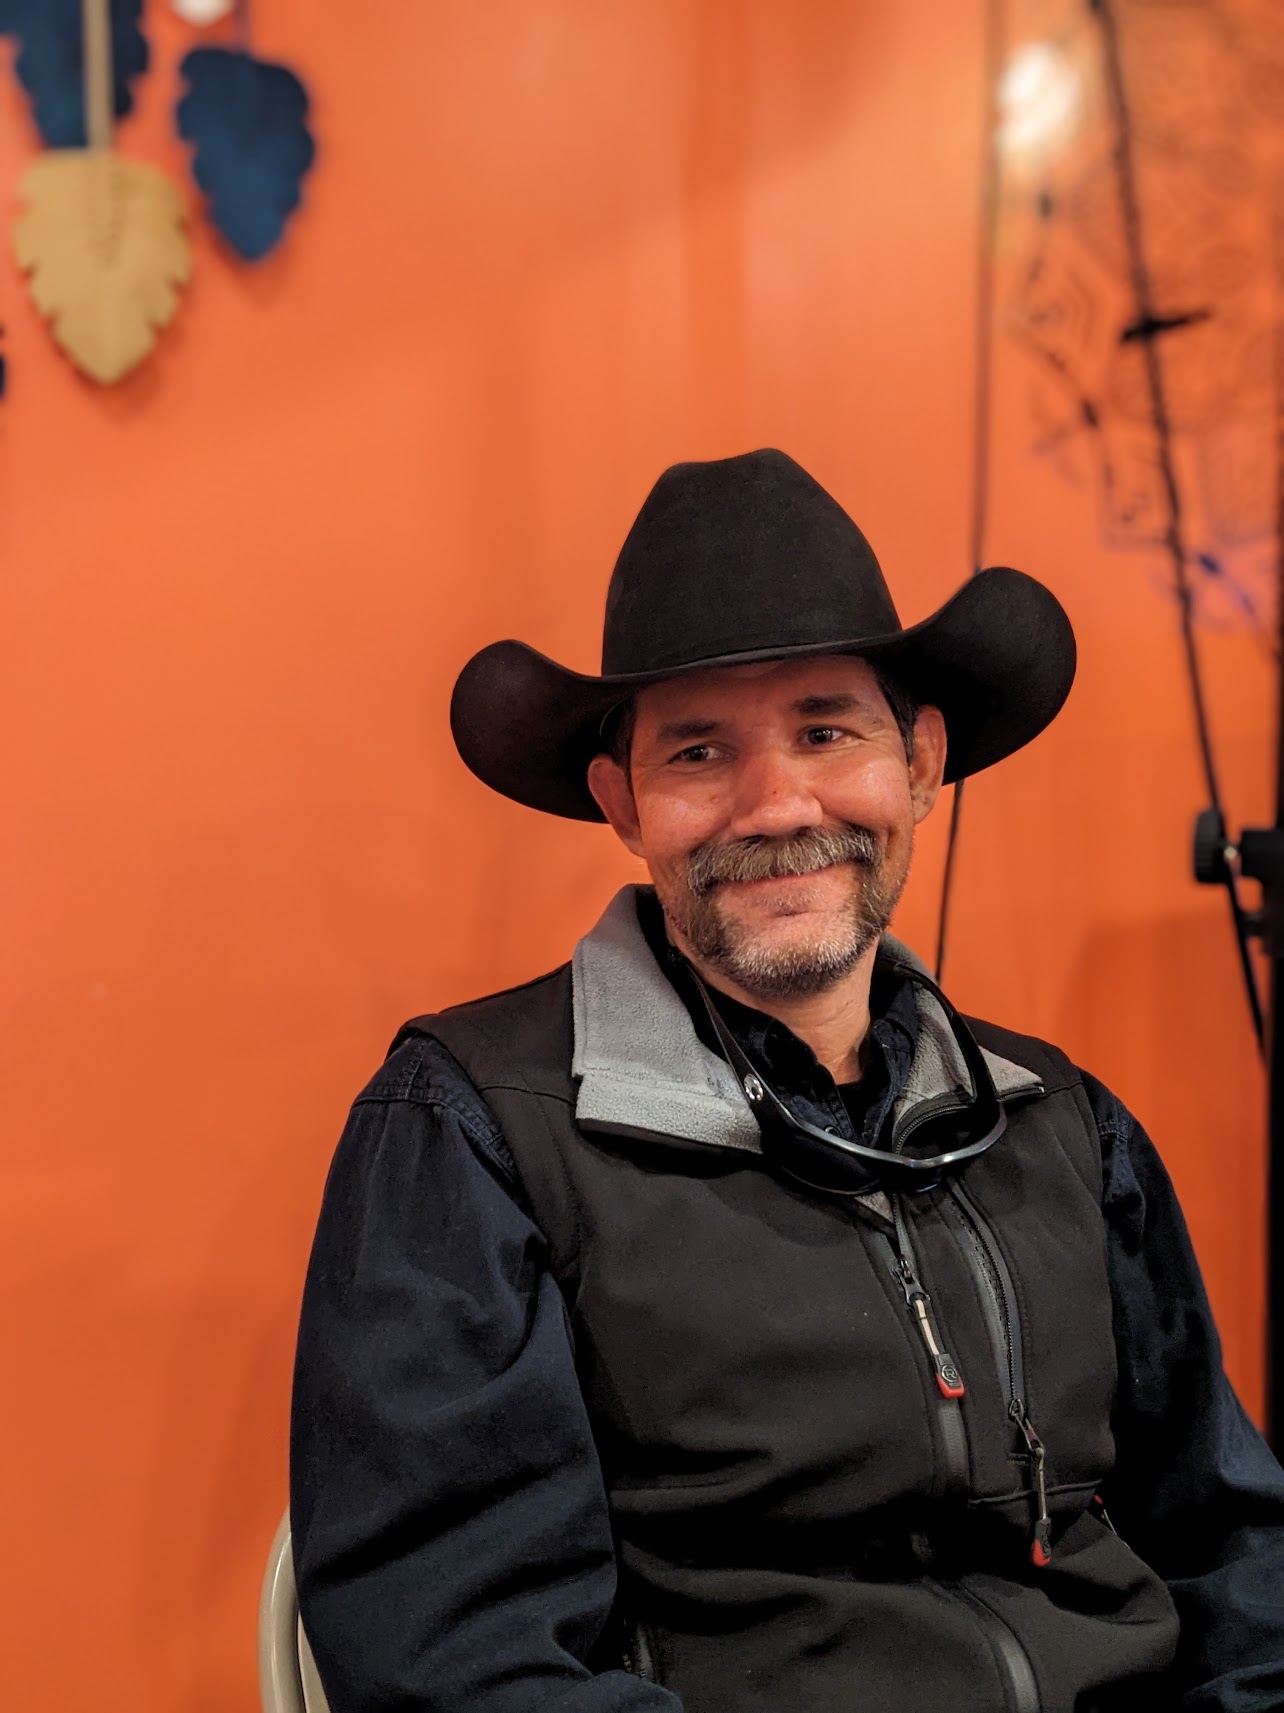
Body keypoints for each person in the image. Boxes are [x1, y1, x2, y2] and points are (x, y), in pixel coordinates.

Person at [290, 449, 1284, 1713]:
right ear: (623, 802)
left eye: (827, 730)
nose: (776, 804)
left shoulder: (1067, 1125)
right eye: (698, 753)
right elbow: (461, 1666)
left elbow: (1238, 1558)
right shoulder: (472, 1132)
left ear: (920, 764)